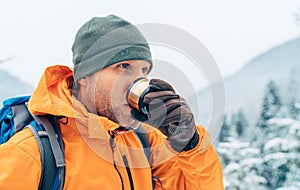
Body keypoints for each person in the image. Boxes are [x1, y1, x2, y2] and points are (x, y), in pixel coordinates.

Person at [0, 15, 223, 189]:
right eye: (123, 66)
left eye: (144, 70)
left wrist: (189, 143)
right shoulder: (32, 153)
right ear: (85, 76)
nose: (138, 80)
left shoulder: (144, 142)